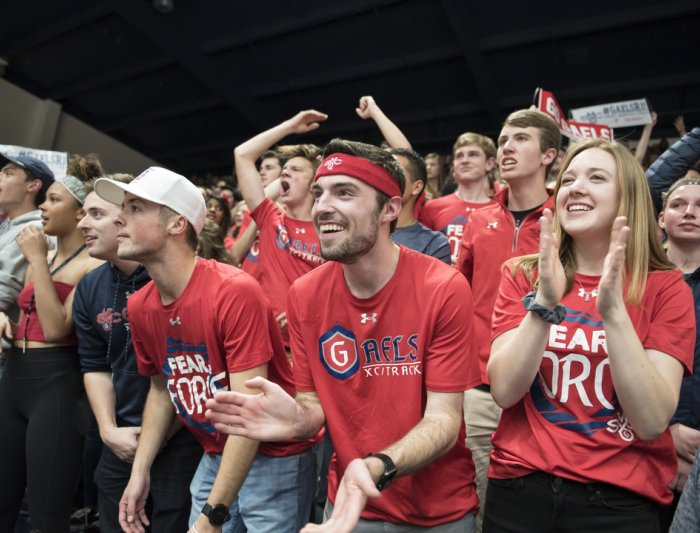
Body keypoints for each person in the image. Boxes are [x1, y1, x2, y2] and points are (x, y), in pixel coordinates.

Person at [206, 139, 481, 532]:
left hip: (437, 512)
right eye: (318, 193)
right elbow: (312, 403)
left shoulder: (443, 286)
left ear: (390, 208)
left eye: (344, 192)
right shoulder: (305, 295)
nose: (322, 206)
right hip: (349, 507)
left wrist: (376, 467)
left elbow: (443, 420)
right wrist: (299, 421)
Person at [93, 167, 320, 533]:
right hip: (215, 453)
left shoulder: (233, 291)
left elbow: (248, 414)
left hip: (276, 458)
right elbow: (161, 388)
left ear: (176, 224)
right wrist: (140, 471)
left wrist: (214, 515)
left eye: (135, 208)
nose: (119, 217)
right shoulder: (140, 306)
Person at [484, 139, 695, 532]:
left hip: (618, 503)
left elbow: (650, 422)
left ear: (627, 197)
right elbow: (504, 390)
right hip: (519, 491)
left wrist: (614, 313)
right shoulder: (524, 274)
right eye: (567, 179)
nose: (575, 187)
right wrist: (545, 302)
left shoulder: (666, 288)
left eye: (596, 177)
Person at [73, 173, 201, 532]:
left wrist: (153, 439)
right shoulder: (92, 285)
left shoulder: (181, 280)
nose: (84, 223)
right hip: (121, 440)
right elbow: (95, 364)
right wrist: (108, 430)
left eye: (98, 213)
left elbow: (193, 374)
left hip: (182, 438)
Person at [455, 108, 561, 533]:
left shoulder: (567, 219)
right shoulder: (479, 221)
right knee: (485, 505)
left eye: (520, 139)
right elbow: (456, 296)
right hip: (482, 388)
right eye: (502, 141)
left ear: (549, 155)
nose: (506, 148)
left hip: (552, 392)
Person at [0, 171, 102, 532]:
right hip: (15, 374)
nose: (43, 206)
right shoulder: (44, 255)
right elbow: (26, 310)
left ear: (79, 213)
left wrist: (38, 260)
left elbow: (58, 327)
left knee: (46, 512)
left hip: (56, 383)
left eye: (54, 199)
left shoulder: (92, 264)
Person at [234, 110, 326, 347]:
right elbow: (242, 154)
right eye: (285, 169)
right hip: (265, 344)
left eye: (296, 170)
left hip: (312, 344)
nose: (286, 171)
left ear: (315, 182)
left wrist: (309, 312)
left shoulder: (331, 231)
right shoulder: (269, 218)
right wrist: (289, 126)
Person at [655, 176, 700, 528]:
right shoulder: (635, 279)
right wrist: (665, 429)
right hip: (642, 440)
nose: (690, 213)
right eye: (678, 205)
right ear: (660, 218)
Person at [0, 154, 55, 366]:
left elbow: (3, 291)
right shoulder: (8, 227)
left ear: (33, 185)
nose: (0, 177)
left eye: (8, 173)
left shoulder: (33, 230)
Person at [421, 132, 497, 264]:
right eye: (459, 156)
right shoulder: (432, 207)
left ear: (489, 163)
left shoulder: (501, 211)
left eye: (473, 154)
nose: (465, 160)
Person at [390, 148, 450, 263]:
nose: (385, 178)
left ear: (416, 187)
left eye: (395, 172)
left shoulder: (433, 243)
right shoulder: (363, 230)